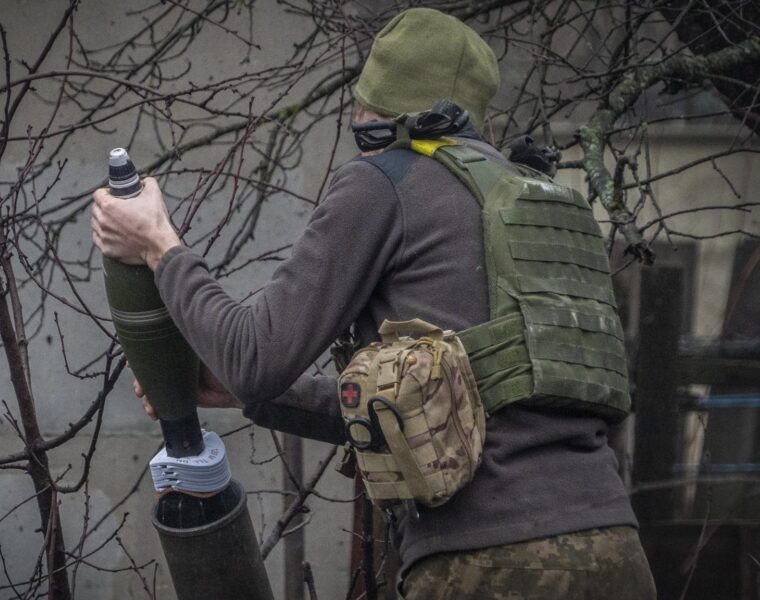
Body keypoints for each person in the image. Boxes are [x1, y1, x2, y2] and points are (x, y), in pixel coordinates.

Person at [91, 8, 656, 599]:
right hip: (615, 551)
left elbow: (253, 356)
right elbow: (459, 409)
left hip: (488, 562)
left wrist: (159, 245)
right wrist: (251, 397)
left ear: (373, 114)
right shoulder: (542, 204)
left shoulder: (387, 179)